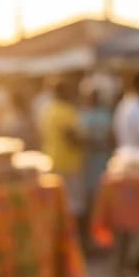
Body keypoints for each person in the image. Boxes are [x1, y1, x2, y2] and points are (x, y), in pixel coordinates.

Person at [40, 77, 85, 216]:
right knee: (73, 202)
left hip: (53, 158)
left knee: (59, 201)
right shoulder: (66, 111)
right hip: (68, 162)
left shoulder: (49, 110)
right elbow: (72, 139)